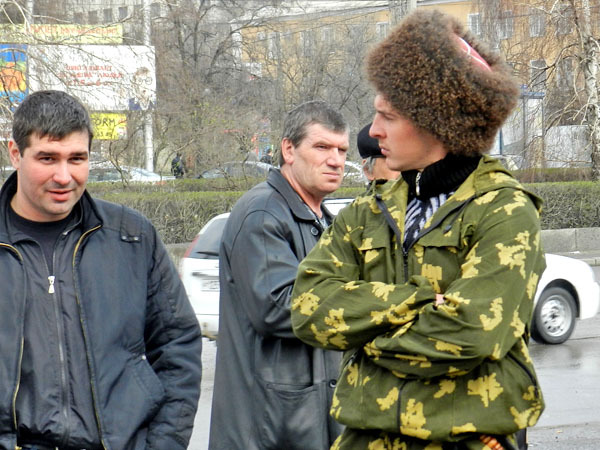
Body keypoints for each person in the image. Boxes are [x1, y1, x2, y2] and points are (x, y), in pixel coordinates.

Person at [291, 10, 545, 450]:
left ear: (435, 120)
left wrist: (363, 335)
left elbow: (471, 335)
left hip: (466, 441)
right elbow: (307, 310)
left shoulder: (504, 211)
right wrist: (420, 300)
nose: (374, 131)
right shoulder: (368, 211)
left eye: (387, 116)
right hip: (365, 440)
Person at [0, 90, 202, 450]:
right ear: (15, 153)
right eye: (47, 158)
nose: (64, 176)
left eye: (77, 158)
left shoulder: (132, 237)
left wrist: (164, 443)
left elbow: (177, 347)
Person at [209, 100, 349, 449]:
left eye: (342, 150)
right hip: (268, 430)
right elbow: (278, 308)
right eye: (322, 147)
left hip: (304, 426)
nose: (336, 160)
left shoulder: (321, 219)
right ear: (288, 149)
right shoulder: (263, 213)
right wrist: (371, 306)